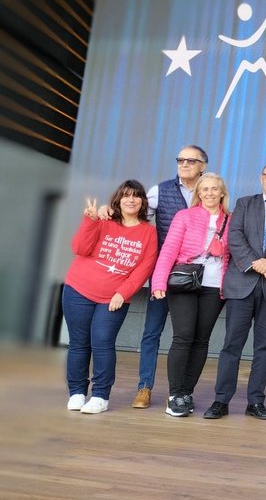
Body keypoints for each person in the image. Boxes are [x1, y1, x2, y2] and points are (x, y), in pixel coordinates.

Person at [203, 162, 266, 421]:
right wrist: (257, 264)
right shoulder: (244, 203)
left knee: (265, 347)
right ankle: (221, 400)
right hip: (242, 283)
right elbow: (235, 237)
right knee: (232, 345)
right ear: (261, 178)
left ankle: (256, 401)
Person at [63, 181, 157, 414]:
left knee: (103, 343)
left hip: (113, 298)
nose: (131, 200)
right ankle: (76, 393)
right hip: (78, 289)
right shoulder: (103, 220)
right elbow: (80, 248)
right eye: (126, 195)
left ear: (143, 201)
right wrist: (90, 221)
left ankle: (100, 396)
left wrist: (122, 293)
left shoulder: (148, 232)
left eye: (136, 196)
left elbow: (144, 268)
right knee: (78, 344)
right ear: (118, 199)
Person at [149, 173, 231, 417]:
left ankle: (186, 393)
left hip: (215, 286)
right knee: (183, 337)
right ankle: (174, 395)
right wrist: (158, 281)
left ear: (222, 193)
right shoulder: (184, 216)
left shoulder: (231, 220)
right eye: (204, 189)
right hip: (185, 282)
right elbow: (168, 250)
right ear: (199, 193)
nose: (209, 193)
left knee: (201, 340)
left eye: (214, 189)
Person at [134, 145, 209, 409]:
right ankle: (144, 387)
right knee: (152, 331)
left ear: (203, 166)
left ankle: (181, 392)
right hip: (164, 275)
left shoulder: (210, 191)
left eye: (191, 160)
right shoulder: (159, 191)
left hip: (196, 279)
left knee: (188, 337)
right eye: (180, 159)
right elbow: (138, 222)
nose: (184, 164)